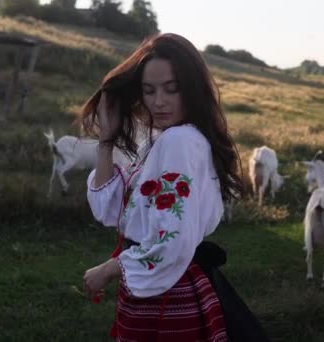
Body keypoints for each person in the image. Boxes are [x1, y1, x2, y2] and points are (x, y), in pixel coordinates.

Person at [81, 33, 245, 341]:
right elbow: (109, 209)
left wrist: (108, 269)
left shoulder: (178, 141)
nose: (158, 101)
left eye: (172, 89)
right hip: (163, 284)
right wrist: (106, 140)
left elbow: (170, 241)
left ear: (192, 89)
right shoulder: (165, 140)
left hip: (166, 291)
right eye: (149, 90)